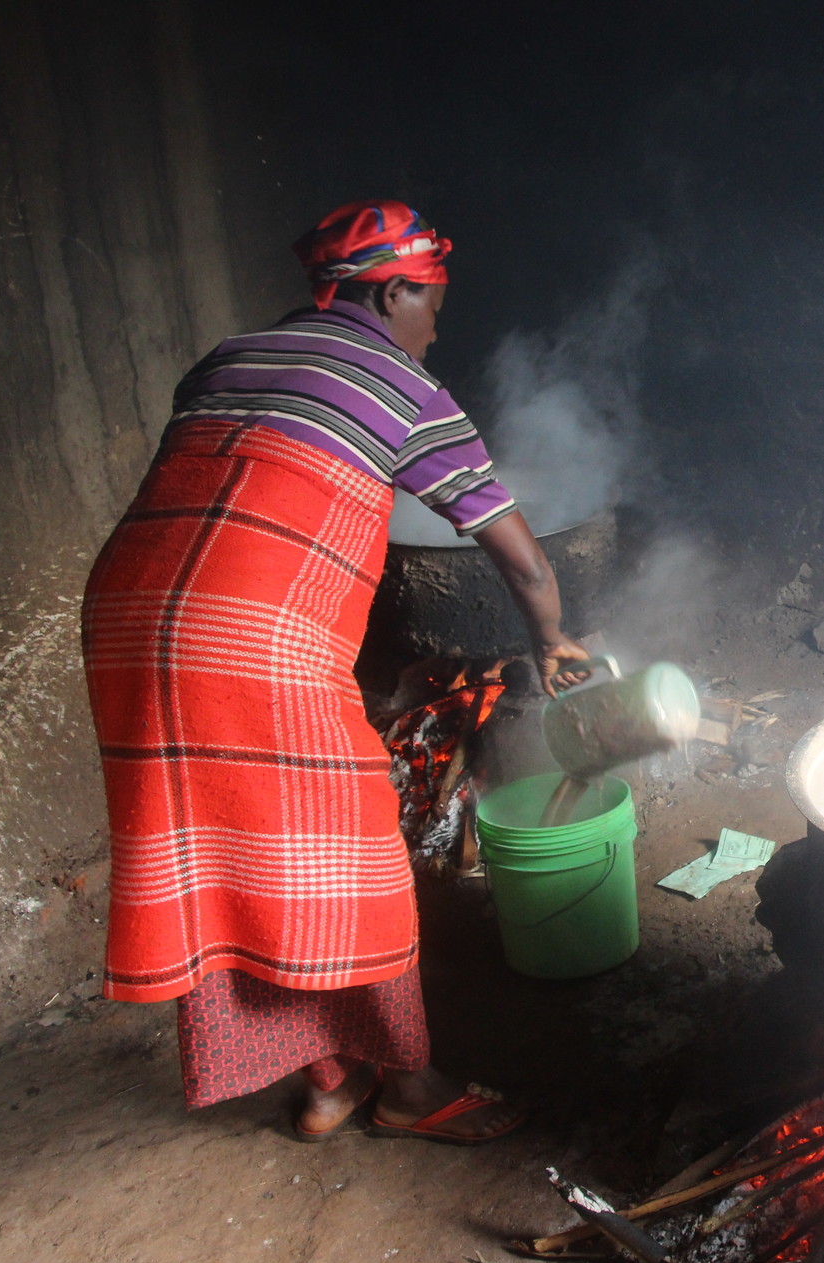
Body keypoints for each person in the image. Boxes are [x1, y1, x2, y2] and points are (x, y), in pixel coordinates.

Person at [81, 201, 590, 1143]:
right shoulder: (406, 386)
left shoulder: (227, 357)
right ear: (391, 289)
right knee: (360, 859)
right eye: (432, 300)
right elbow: (518, 555)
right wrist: (554, 639)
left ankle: (327, 1077)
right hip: (249, 633)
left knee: (227, 855)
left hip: (123, 614)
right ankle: (409, 1086)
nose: (436, 323)